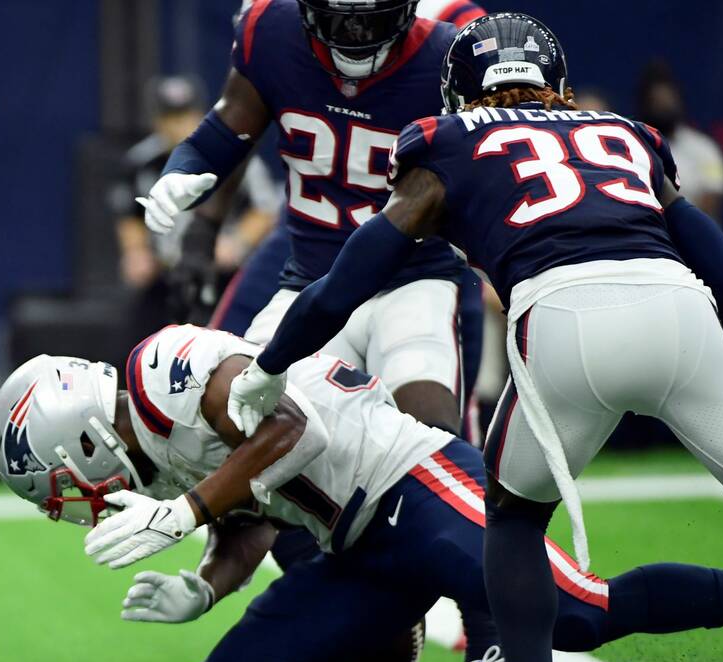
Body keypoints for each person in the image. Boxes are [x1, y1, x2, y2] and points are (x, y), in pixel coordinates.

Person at [226, 12, 723, 662]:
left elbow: (342, 285)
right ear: (558, 83)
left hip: (562, 319)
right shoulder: (625, 133)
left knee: (509, 523)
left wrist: (269, 365)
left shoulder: (445, 140)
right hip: (680, 309)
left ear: (458, 90)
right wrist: (678, 345)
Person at [0, 324, 723, 662]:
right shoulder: (154, 452)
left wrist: (187, 512)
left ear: (81, 439)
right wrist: (206, 584)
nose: (75, 503)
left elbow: (291, 429)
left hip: (413, 481)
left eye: (62, 485)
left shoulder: (162, 371)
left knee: (578, 613)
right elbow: (249, 518)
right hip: (357, 544)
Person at [137, 0, 487, 438]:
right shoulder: (273, 30)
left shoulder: (454, 50)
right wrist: (184, 175)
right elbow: (225, 133)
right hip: (309, 279)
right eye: (338, 17)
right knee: (239, 424)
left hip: (414, 282)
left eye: (371, 19)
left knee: (428, 434)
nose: (354, 33)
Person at [110, 75, 278, 333]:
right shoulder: (141, 162)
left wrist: (237, 241)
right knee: (143, 343)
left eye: (185, 116)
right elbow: (129, 213)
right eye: (170, 118)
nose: (178, 125)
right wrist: (136, 251)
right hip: (166, 274)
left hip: (221, 274)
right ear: (156, 121)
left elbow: (265, 208)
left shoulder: (231, 155)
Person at [636, 60, 723, 220]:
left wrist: (685, 228)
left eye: (667, 101)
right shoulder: (634, 146)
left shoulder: (704, 147)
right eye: (656, 101)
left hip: (692, 230)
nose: (663, 107)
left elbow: (713, 194)